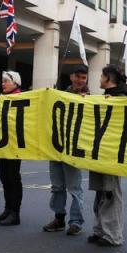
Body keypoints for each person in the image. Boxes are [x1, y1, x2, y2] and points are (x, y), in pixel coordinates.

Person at [44, 64, 89, 236]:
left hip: (73, 150)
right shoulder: (60, 95)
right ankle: (59, 218)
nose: (80, 80)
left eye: (83, 78)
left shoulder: (90, 98)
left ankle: (76, 222)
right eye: (77, 76)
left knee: (74, 188)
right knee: (57, 187)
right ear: (71, 77)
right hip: (56, 147)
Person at [88, 64, 127, 247]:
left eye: (101, 75)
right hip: (100, 151)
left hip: (111, 152)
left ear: (107, 78)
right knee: (100, 191)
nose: (99, 79)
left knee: (110, 193)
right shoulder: (107, 98)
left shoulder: (120, 99)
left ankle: (113, 235)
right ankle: (100, 230)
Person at [0, 71, 23, 226]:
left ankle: (15, 213)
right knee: (5, 178)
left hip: (15, 146)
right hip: (4, 145)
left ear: (15, 83)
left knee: (13, 178)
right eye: (2, 81)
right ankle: (7, 209)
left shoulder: (22, 98)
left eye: (6, 81)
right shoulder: (2, 99)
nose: (3, 84)